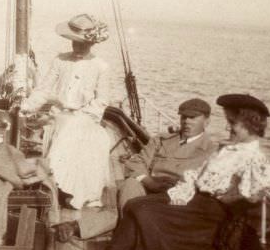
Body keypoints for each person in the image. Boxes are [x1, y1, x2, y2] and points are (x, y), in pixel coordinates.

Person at [78, 93, 270, 250]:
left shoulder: (253, 157)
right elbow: (202, 177)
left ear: (250, 125)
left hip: (211, 215)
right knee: (135, 205)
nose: (229, 129)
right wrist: (180, 194)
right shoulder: (229, 149)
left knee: (143, 212)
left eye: (233, 124)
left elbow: (252, 194)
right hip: (198, 203)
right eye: (229, 123)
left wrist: (227, 194)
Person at [67, 98, 219, 239]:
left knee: (130, 209)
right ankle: (131, 235)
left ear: (207, 121)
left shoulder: (212, 151)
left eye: (193, 118)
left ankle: (81, 228)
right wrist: (149, 182)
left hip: (174, 196)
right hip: (149, 187)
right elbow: (136, 163)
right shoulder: (161, 140)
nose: (186, 122)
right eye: (183, 117)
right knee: (130, 185)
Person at [21, 14, 112, 210]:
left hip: (86, 118)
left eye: (82, 44)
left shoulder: (100, 66)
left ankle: (74, 192)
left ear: (92, 43)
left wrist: (84, 115)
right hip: (59, 115)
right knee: (65, 127)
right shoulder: (60, 61)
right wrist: (27, 106)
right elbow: (44, 89)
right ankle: (57, 187)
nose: (77, 47)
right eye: (74, 42)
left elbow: (102, 100)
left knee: (78, 132)